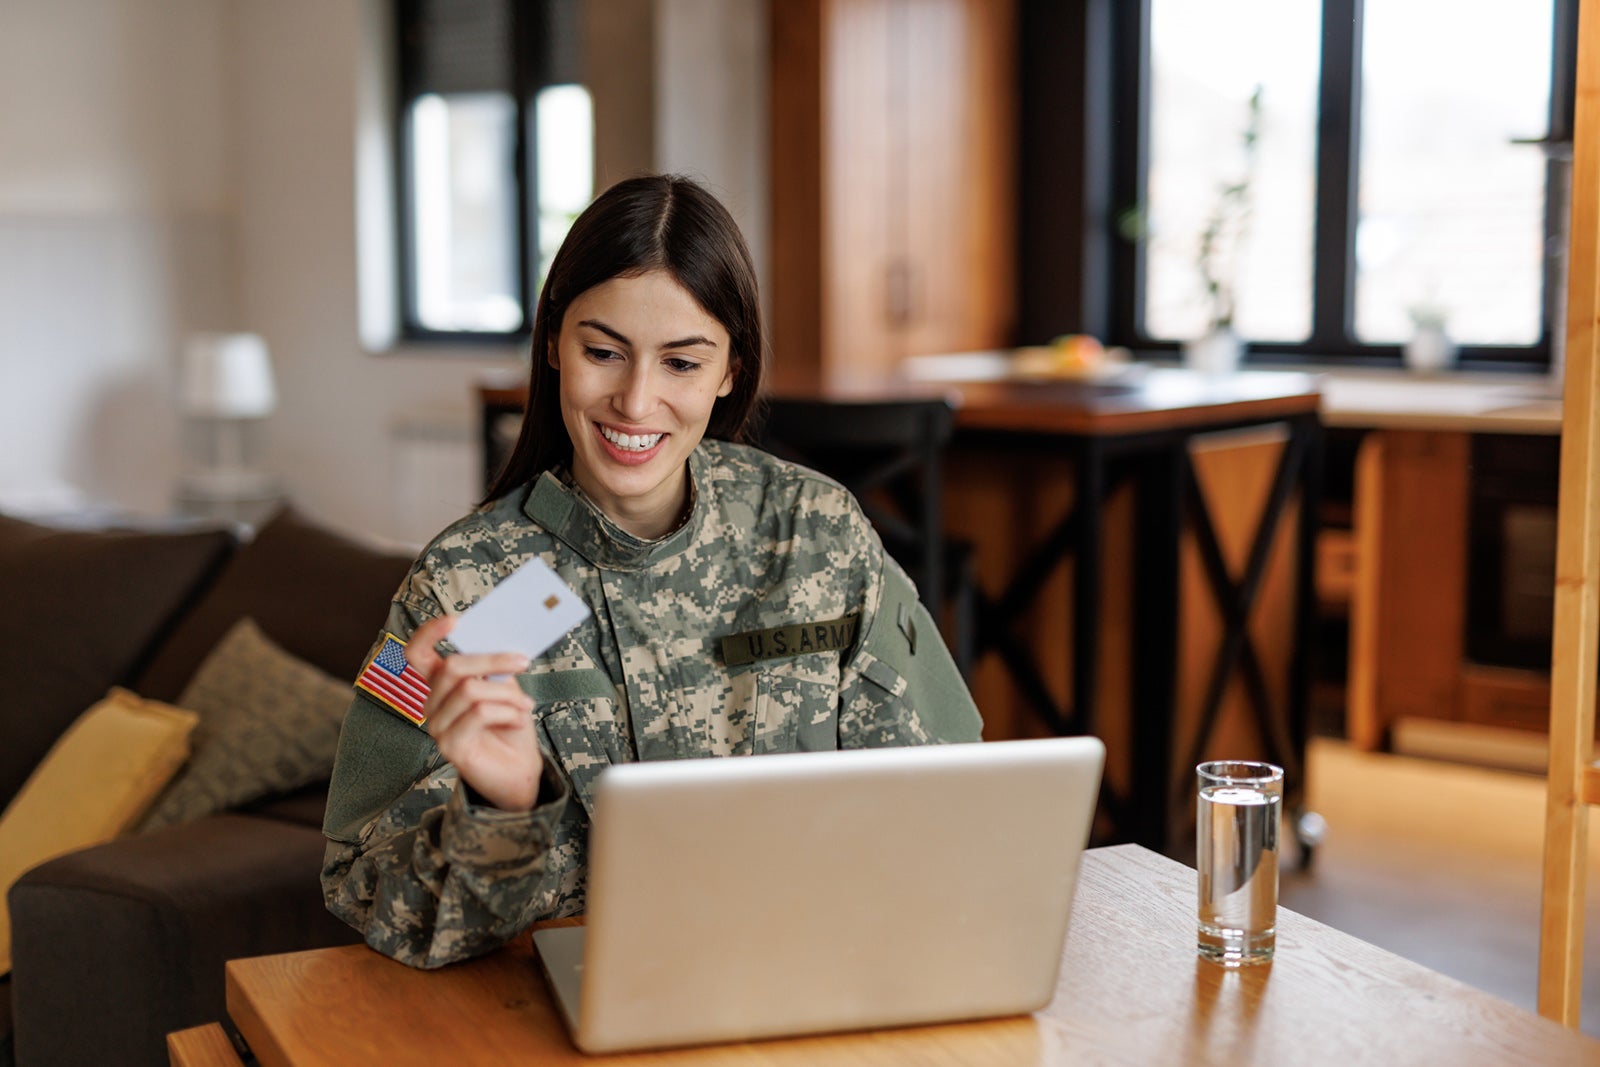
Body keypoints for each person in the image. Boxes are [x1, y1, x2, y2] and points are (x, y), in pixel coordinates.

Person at [322, 173, 982, 969]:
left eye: (681, 362)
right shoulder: (467, 588)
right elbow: (365, 895)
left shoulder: (819, 533)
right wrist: (507, 810)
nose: (636, 401)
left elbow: (952, 806)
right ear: (554, 347)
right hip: (564, 1019)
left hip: (813, 982)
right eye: (603, 352)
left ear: (731, 369)